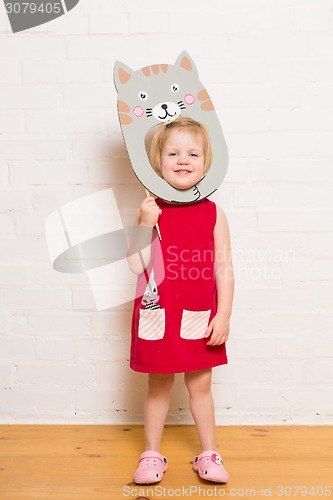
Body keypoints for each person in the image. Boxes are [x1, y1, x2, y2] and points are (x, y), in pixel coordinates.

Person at [127, 117, 234, 484]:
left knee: (200, 384)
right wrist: (143, 222)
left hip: (199, 314)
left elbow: (224, 267)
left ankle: (209, 453)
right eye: (173, 153)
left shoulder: (213, 212)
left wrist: (224, 315)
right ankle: (152, 455)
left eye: (193, 153)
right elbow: (135, 265)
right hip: (158, 313)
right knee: (158, 384)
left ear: (208, 162)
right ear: (158, 162)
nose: (183, 159)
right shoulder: (150, 208)